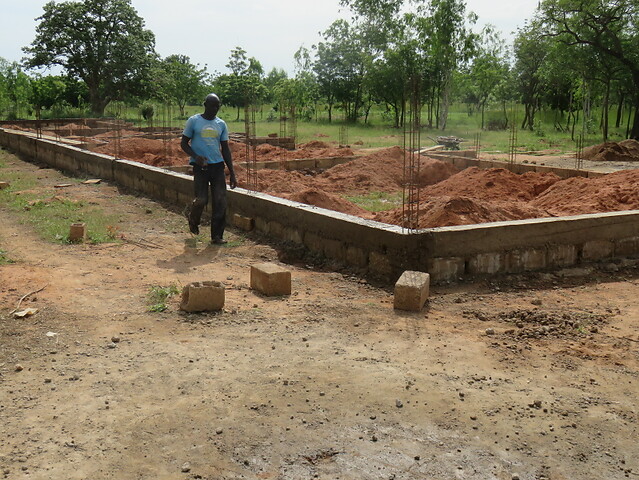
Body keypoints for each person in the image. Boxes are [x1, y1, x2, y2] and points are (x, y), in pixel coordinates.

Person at [181, 93, 237, 244]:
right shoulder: (194, 121)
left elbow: (225, 149)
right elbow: (184, 143)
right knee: (202, 199)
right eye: (212, 106)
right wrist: (195, 156)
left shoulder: (221, 124)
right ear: (205, 105)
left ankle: (217, 236)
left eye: (217, 106)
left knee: (220, 201)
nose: (215, 109)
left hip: (217, 166)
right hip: (200, 167)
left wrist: (232, 172)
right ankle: (193, 219)